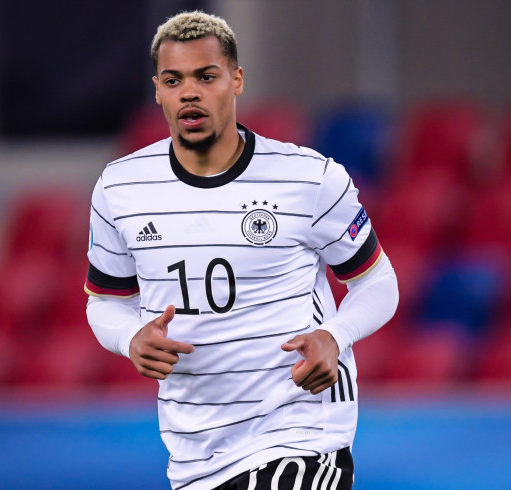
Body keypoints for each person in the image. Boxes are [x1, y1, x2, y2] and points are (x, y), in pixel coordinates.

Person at [85, 11, 398, 490]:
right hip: (193, 451)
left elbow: (377, 282)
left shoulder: (308, 179)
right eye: (174, 80)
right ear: (157, 90)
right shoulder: (120, 188)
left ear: (236, 80)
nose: (189, 92)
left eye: (205, 76)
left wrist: (335, 335)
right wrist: (130, 338)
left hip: (299, 432)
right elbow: (105, 301)